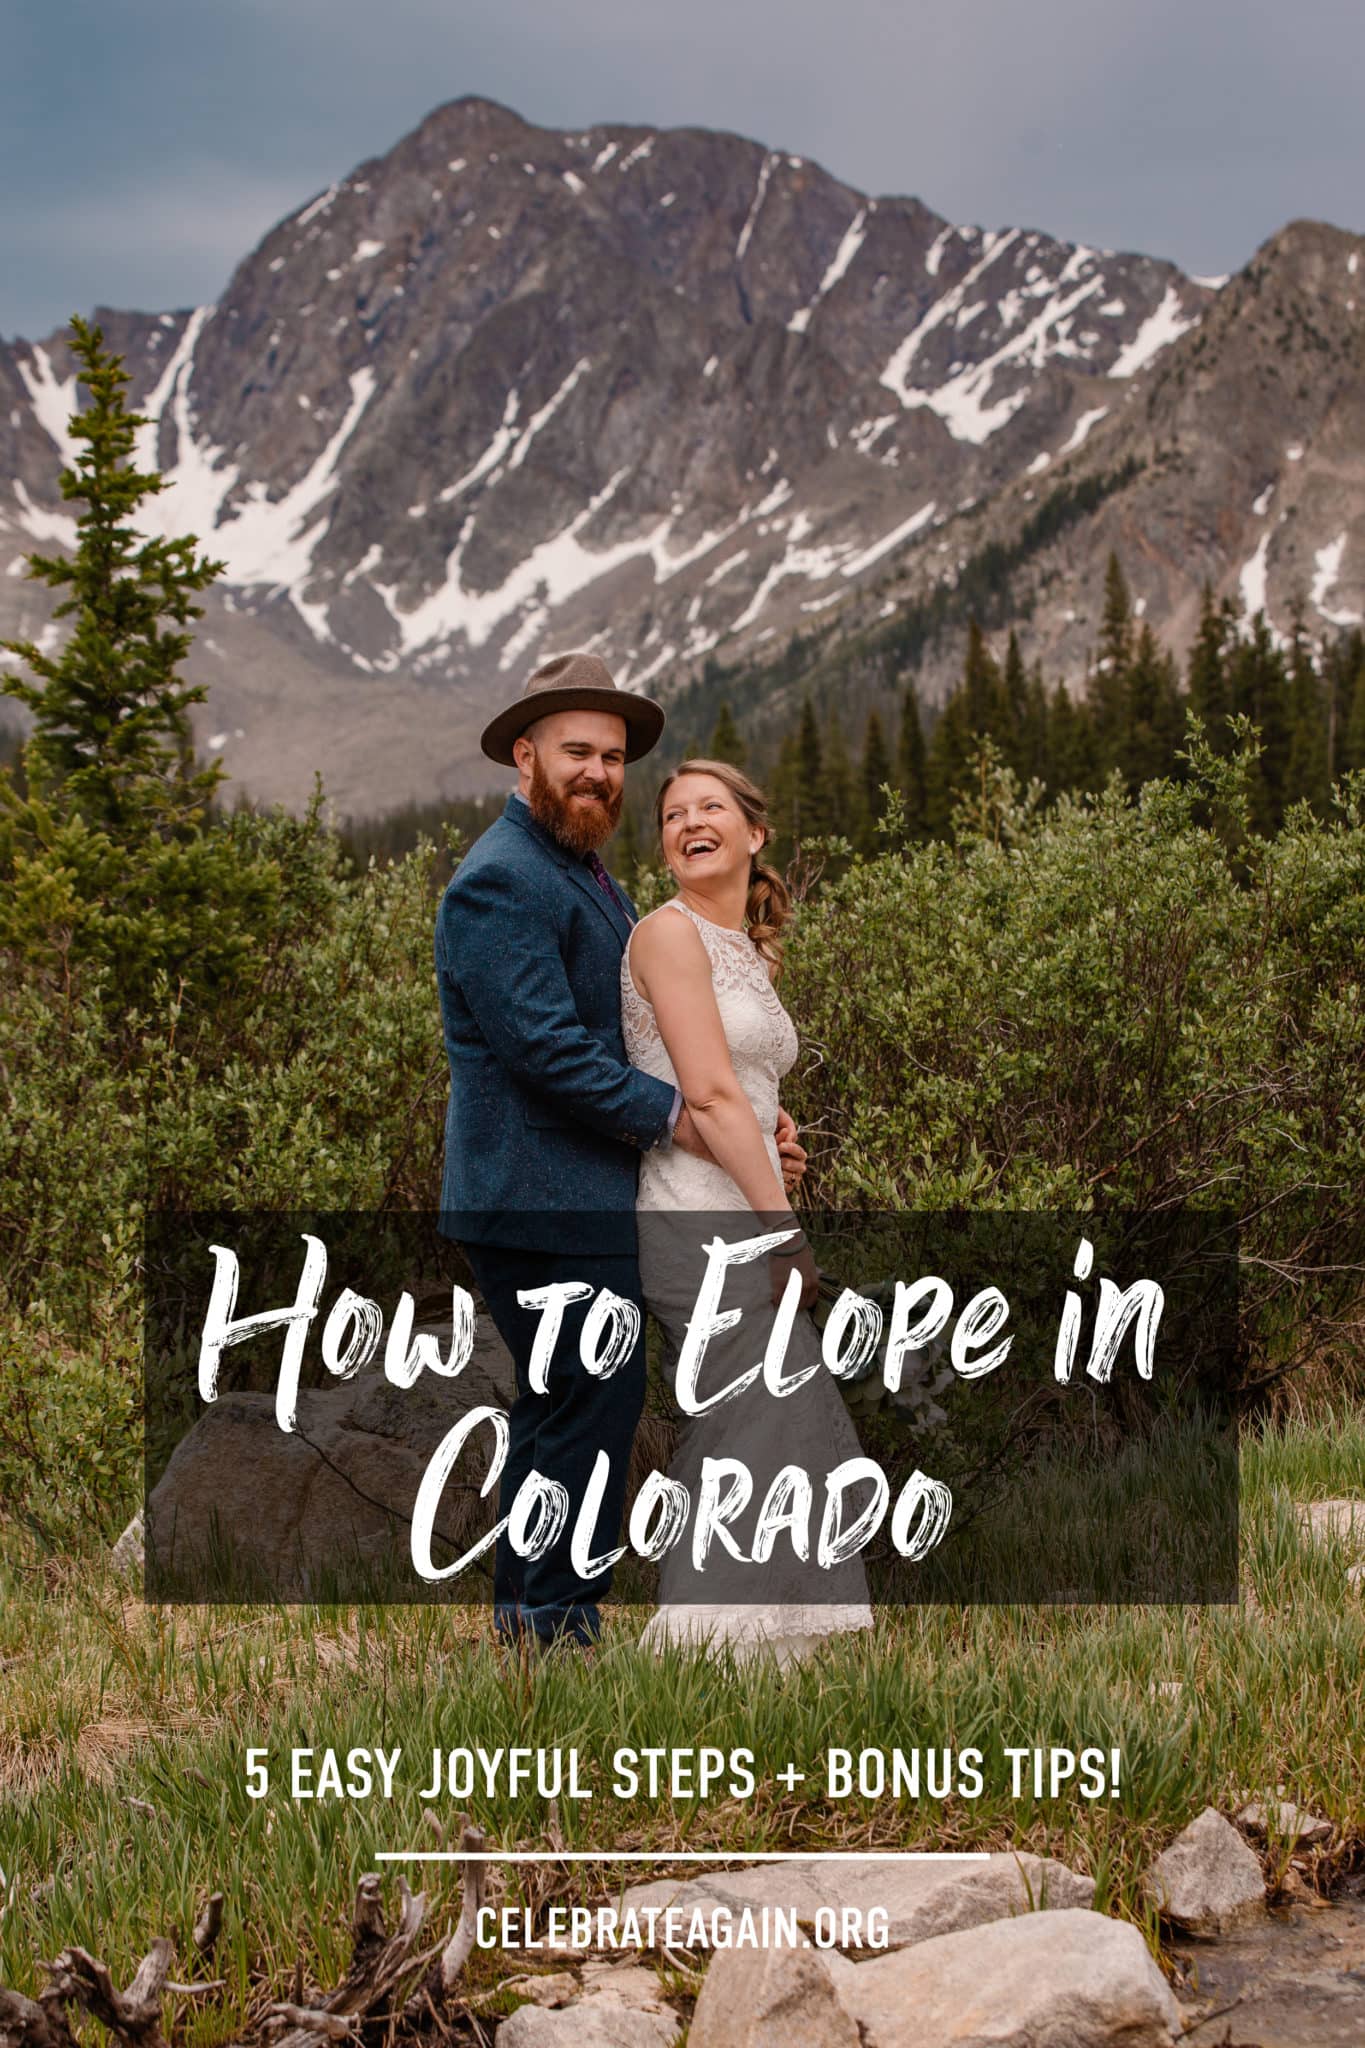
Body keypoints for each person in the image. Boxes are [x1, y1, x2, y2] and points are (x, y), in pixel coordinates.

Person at [434, 653, 805, 1649]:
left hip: (584, 1192)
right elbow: (548, 1053)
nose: (598, 770)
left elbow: (634, 1027)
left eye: (610, 755)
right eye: (576, 751)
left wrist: (754, 1120)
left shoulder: (577, 866)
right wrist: (687, 1121)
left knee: (576, 1411)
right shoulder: (500, 881)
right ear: (525, 752)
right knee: (579, 1412)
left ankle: (541, 1630)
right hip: (535, 1194)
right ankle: (552, 1636)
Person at [623, 759, 873, 1665]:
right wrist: (783, 1229)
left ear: (754, 834)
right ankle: (698, 1655)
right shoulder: (666, 935)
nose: (688, 822)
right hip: (694, 1214)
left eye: (710, 808)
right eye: (672, 814)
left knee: (778, 1419)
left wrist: (778, 1145)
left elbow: (748, 1090)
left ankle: (770, 1654)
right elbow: (709, 1095)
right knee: (747, 1419)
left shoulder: (745, 950)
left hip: (743, 1196)